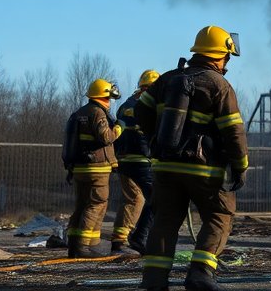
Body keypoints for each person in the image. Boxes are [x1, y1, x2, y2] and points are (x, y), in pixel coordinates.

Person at [135, 26, 248, 291]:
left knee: (164, 220)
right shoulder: (219, 85)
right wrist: (240, 166)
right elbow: (233, 131)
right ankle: (201, 273)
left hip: (164, 166)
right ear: (222, 55)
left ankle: (153, 280)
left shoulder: (166, 79)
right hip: (203, 169)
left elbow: (140, 110)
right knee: (220, 215)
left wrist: (155, 139)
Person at [63, 78, 122, 258]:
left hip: (80, 168)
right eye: (109, 98)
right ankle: (83, 246)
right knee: (96, 204)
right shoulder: (98, 112)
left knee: (81, 205)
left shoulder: (80, 112)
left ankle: (75, 246)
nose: (110, 102)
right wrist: (119, 129)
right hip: (97, 168)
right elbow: (105, 138)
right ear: (104, 96)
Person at [110, 69, 159, 255]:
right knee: (157, 198)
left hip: (123, 160)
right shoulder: (148, 105)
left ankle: (119, 242)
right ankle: (140, 238)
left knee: (133, 199)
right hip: (141, 159)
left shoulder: (125, 105)